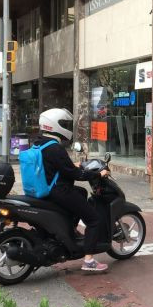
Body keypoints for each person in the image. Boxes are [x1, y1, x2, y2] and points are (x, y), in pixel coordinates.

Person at [35, 108, 110, 272]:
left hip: (44, 190)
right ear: (55, 125)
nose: (66, 127)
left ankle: (71, 229)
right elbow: (74, 174)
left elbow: (55, 166)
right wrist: (97, 173)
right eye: (64, 124)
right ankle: (89, 260)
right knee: (94, 219)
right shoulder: (55, 148)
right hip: (59, 191)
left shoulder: (39, 143)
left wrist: (71, 166)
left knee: (82, 193)